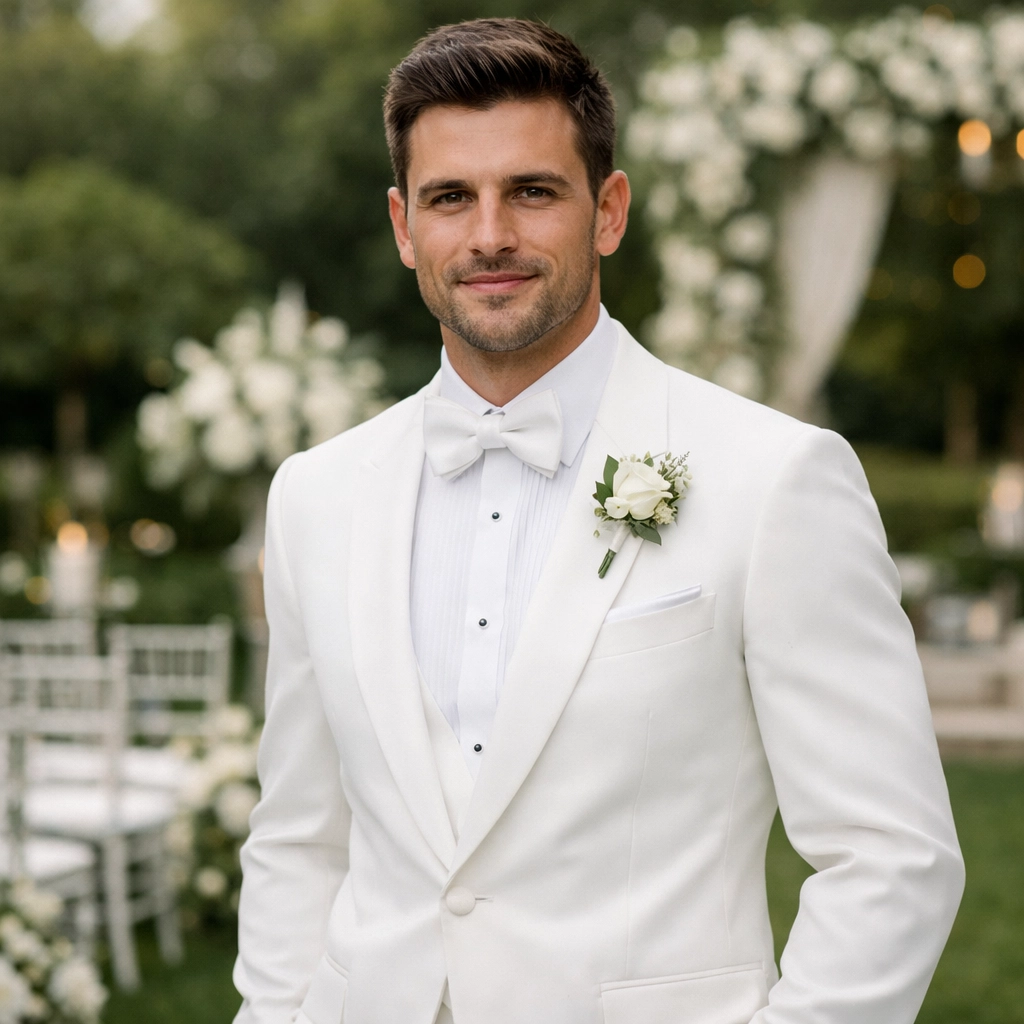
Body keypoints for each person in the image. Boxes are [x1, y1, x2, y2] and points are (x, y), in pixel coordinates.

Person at [233, 18, 964, 1024]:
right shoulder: (314, 495)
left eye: (531, 191)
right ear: (404, 226)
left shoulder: (774, 478)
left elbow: (891, 853)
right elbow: (299, 839)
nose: (489, 234)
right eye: (451, 197)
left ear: (607, 210)